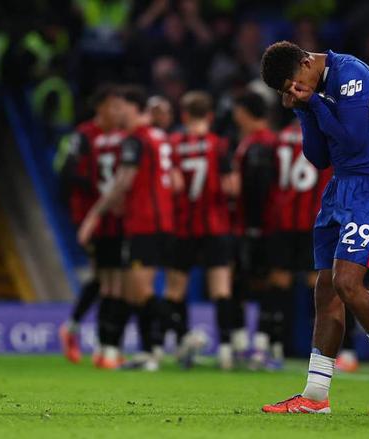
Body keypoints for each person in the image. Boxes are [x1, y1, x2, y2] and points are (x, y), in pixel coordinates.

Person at [259, 41, 369, 415]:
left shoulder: (351, 74)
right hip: (340, 187)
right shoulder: (312, 91)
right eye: (288, 92)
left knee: (348, 283)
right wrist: (303, 110)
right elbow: (318, 157)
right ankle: (316, 394)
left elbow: (353, 140)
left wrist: (313, 103)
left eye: (294, 84)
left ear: (305, 62)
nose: (296, 90)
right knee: (326, 289)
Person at [78, 85, 175, 371]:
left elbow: (123, 182)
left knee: (139, 292)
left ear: (133, 108)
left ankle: (182, 332)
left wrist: (93, 215)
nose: (116, 113)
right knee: (136, 292)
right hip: (161, 220)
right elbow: (176, 181)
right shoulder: (159, 136)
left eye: (120, 107)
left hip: (144, 222)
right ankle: (149, 352)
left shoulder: (135, 139)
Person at [250, 118, 332, 370]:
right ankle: (329, 352)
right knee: (319, 286)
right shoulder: (326, 134)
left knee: (278, 284)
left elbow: (266, 179)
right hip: (315, 221)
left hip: (281, 220)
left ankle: (268, 346)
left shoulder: (279, 138)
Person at [165, 91, 237, 369]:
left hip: (182, 226)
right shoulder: (218, 145)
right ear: (210, 116)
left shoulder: (173, 144)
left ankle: (183, 343)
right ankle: (226, 350)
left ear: (184, 116)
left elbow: (173, 184)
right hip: (215, 225)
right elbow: (231, 187)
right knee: (221, 288)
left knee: (175, 289)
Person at [58, 84, 127, 365]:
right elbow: (68, 173)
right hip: (93, 216)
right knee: (108, 277)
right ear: (100, 107)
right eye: (113, 106)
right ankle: (99, 345)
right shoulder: (84, 135)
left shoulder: (121, 136)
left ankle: (87, 337)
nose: (118, 111)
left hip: (115, 217)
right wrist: (97, 198)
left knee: (106, 278)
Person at [230, 91, 279, 365]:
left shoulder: (260, 143)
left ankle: (258, 344)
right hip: (259, 225)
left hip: (257, 226)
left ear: (244, 112)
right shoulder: (258, 141)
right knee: (252, 283)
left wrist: (254, 225)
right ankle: (258, 344)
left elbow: (258, 188)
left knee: (258, 283)